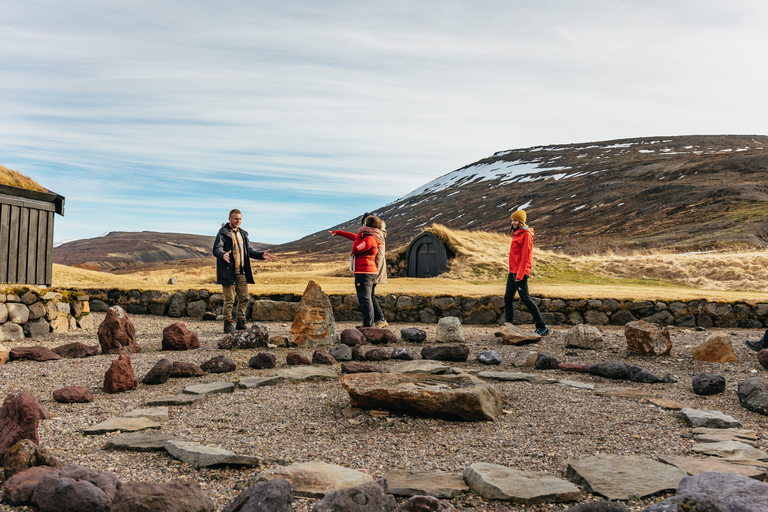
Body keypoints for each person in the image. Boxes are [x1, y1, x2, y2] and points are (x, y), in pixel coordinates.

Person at [213, 209, 276, 333]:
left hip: (242, 271)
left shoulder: (243, 234)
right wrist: (222, 254)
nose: (238, 221)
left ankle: (241, 322)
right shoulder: (222, 233)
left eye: (240, 219)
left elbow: (250, 251)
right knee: (229, 299)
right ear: (230, 219)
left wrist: (261, 255)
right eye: (236, 219)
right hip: (228, 271)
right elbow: (216, 249)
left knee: (245, 297)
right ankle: (228, 324)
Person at [330, 214, 387, 328]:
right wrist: (340, 232)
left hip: (364, 272)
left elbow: (356, 249)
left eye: (365, 224)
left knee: (365, 299)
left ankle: (369, 325)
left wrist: (358, 237)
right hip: (366, 271)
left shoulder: (370, 239)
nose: (363, 225)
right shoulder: (370, 236)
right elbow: (355, 237)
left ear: (367, 225)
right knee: (368, 297)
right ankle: (372, 322)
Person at [505, 209, 549, 336]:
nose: (512, 222)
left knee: (525, 299)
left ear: (521, 221)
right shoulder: (518, 233)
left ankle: (542, 326)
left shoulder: (526, 234)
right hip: (512, 271)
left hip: (520, 273)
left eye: (515, 220)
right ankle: (508, 327)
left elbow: (525, 256)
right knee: (507, 298)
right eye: (512, 220)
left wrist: (520, 275)